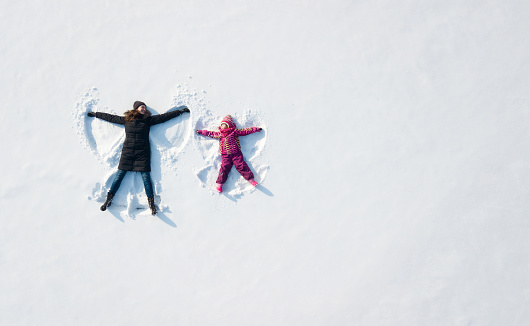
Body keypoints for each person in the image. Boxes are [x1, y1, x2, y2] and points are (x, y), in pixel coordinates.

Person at [87, 101, 190, 215]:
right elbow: (111, 118)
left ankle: (151, 203)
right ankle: (109, 199)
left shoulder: (147, 120)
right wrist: (96, 114)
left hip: (142, 153)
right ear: (136, 108)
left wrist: (180, 112)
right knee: (119, 175)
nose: (144, 109)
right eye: (142, 107)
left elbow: (163, 117)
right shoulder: (127, 120)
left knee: (146, 178)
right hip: (128, 153)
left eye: (145, 107)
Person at [196, 115, 262, 193]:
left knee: (241, 166)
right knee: (224, 168)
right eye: (221, 125)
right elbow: (211, 133)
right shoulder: (220, 134)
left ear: (228, 126)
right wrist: (201, 132)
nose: (222, 126)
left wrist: (255, 129)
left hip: (236, 154)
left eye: (224, 125)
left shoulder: (234, 132)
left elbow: (245, 131)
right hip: (226, 155)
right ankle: (220, 184)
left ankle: (251, 180)